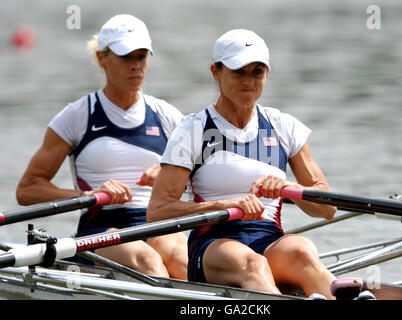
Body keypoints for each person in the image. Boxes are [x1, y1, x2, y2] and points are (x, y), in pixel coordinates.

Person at [147, 29, 338, 298]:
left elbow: (327, 210)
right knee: (253, 264)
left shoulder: (283, 127)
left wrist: (289, 186)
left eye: (257, 72)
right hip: (214, 243)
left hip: (270, 239)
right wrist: (223, 205)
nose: (249, 81)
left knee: (303, 252)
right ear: (216, 72)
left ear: (267, 75)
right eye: (239, 72)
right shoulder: (193, 130)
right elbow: (157, 210)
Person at [16, 14, 188, 280]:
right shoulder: (77, 116)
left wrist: (171, 178)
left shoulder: (167, 116)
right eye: (126, 57)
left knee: (182, 261)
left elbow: (203, 182)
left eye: (141, 57)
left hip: (155, 220)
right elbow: (27, 190)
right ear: (101, 58)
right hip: (100, 225)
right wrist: (89, 193)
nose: (136, 66)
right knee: (148, 261)